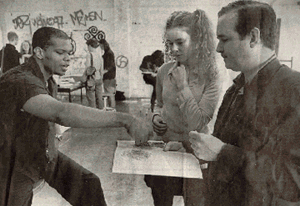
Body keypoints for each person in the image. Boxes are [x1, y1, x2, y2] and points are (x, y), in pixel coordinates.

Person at [0, 27, 152, 206]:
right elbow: (60, 112)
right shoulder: (21, 80)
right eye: (60, 52)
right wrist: (126, 119)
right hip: (12, 162)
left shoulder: (46, 79)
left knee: (88, 185)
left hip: (42, 153)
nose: (67, 58)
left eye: (69, 53)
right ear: (39, 52)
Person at [188, 1, 300, 205]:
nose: (218, 48)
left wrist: (223, 153)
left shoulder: (294, 90)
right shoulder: (236, 89)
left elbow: (292, 182)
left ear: (254, 38)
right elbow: (222, 149)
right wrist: (192, 149)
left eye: (224, 39)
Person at [145, 9, 221, 206]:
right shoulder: (163, 70)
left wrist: (182, 86)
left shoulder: (211, 75)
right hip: (165, 149)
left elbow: (199, 121)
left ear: (197, 41)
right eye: (170, 44)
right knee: (161, 200)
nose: (173, 49)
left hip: (195, 153)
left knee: (194, 201)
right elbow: (158, 104)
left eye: (180, 42)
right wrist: (155, 117)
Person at [84, 38, 104, 109]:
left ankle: (94, 115)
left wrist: (83, 78)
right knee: (99, 97)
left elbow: (87, 68)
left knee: (91, 99)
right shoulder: (100, 56)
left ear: (89, 46)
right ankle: (101, 114)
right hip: (98, 78)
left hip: (91, 79)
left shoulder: (89, 55)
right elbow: (102, 70)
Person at [99, 39, 116, 108]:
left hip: (109, 77)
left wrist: (103, 72)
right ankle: (111, 109)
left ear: (102, 45)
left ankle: (112, 109)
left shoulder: (108, 53)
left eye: (100, 45)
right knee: (110, 94)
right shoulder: (108, 52)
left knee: (110, 94)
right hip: (110, 76)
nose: (100, 47)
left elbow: (110, 66)